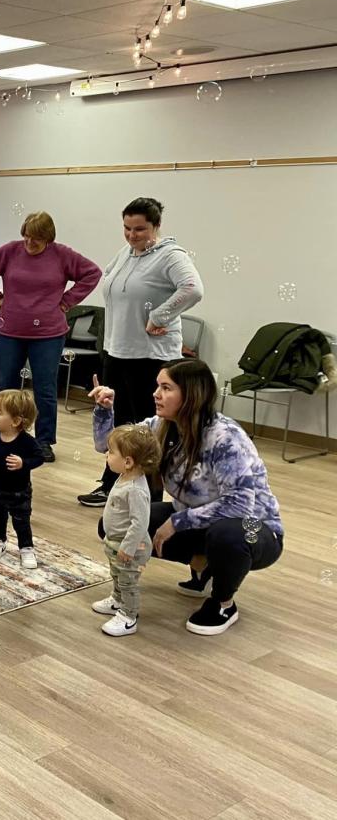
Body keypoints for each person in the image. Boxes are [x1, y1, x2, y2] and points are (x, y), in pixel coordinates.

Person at [89, 358, 284, 636]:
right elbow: (110, 450)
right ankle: (203, 570)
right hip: (200, 521)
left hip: (255, 529)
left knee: (228, 535)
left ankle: (223, 603)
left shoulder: (225, 437)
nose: (156, 394)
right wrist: (103, 411)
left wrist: (178, 522)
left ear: (191, 394)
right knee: (114, 523)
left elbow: (240, 504)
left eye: (166, 388)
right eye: (158, 386)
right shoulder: (160, 425)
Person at [78, 197, 203, 508]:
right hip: (117, 350)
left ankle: (148, 494)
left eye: (140, 229)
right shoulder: (125, 253)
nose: (132, 235)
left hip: (150, 355)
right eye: (127, 228)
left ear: (156, 227)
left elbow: (192, 288)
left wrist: (160, 316)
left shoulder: (171, 256)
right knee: (118, 422)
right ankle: (112, 483)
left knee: (146, 429)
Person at [0, 211, 101, 463]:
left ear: (48, 238)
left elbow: (92, 273)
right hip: (10, 330)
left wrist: (67, 302)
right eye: (27, 237)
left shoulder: (62, 255)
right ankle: (4, 434)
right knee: (6, 386)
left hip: (48, 334)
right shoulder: (11, 251)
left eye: (37, 239)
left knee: (45, 389)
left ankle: (43, 441)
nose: (30, 243)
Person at [91, 424, 161, 637]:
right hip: (117, 543)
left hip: (132, 548)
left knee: (128, 581)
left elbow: (140, 523)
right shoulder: (124, 478)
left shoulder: (136, 490)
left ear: (128, 462)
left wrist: (129, 547)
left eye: (111, 452)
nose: (107, 454)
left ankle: (129, 616)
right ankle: (117, 599)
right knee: (117, 575)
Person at [0, 389, 44, 569]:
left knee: (21, 521)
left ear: (15, 421)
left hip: (20, 491)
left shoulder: (26, 441)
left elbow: (39, 457)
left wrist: (24, 463)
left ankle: (26, 548)